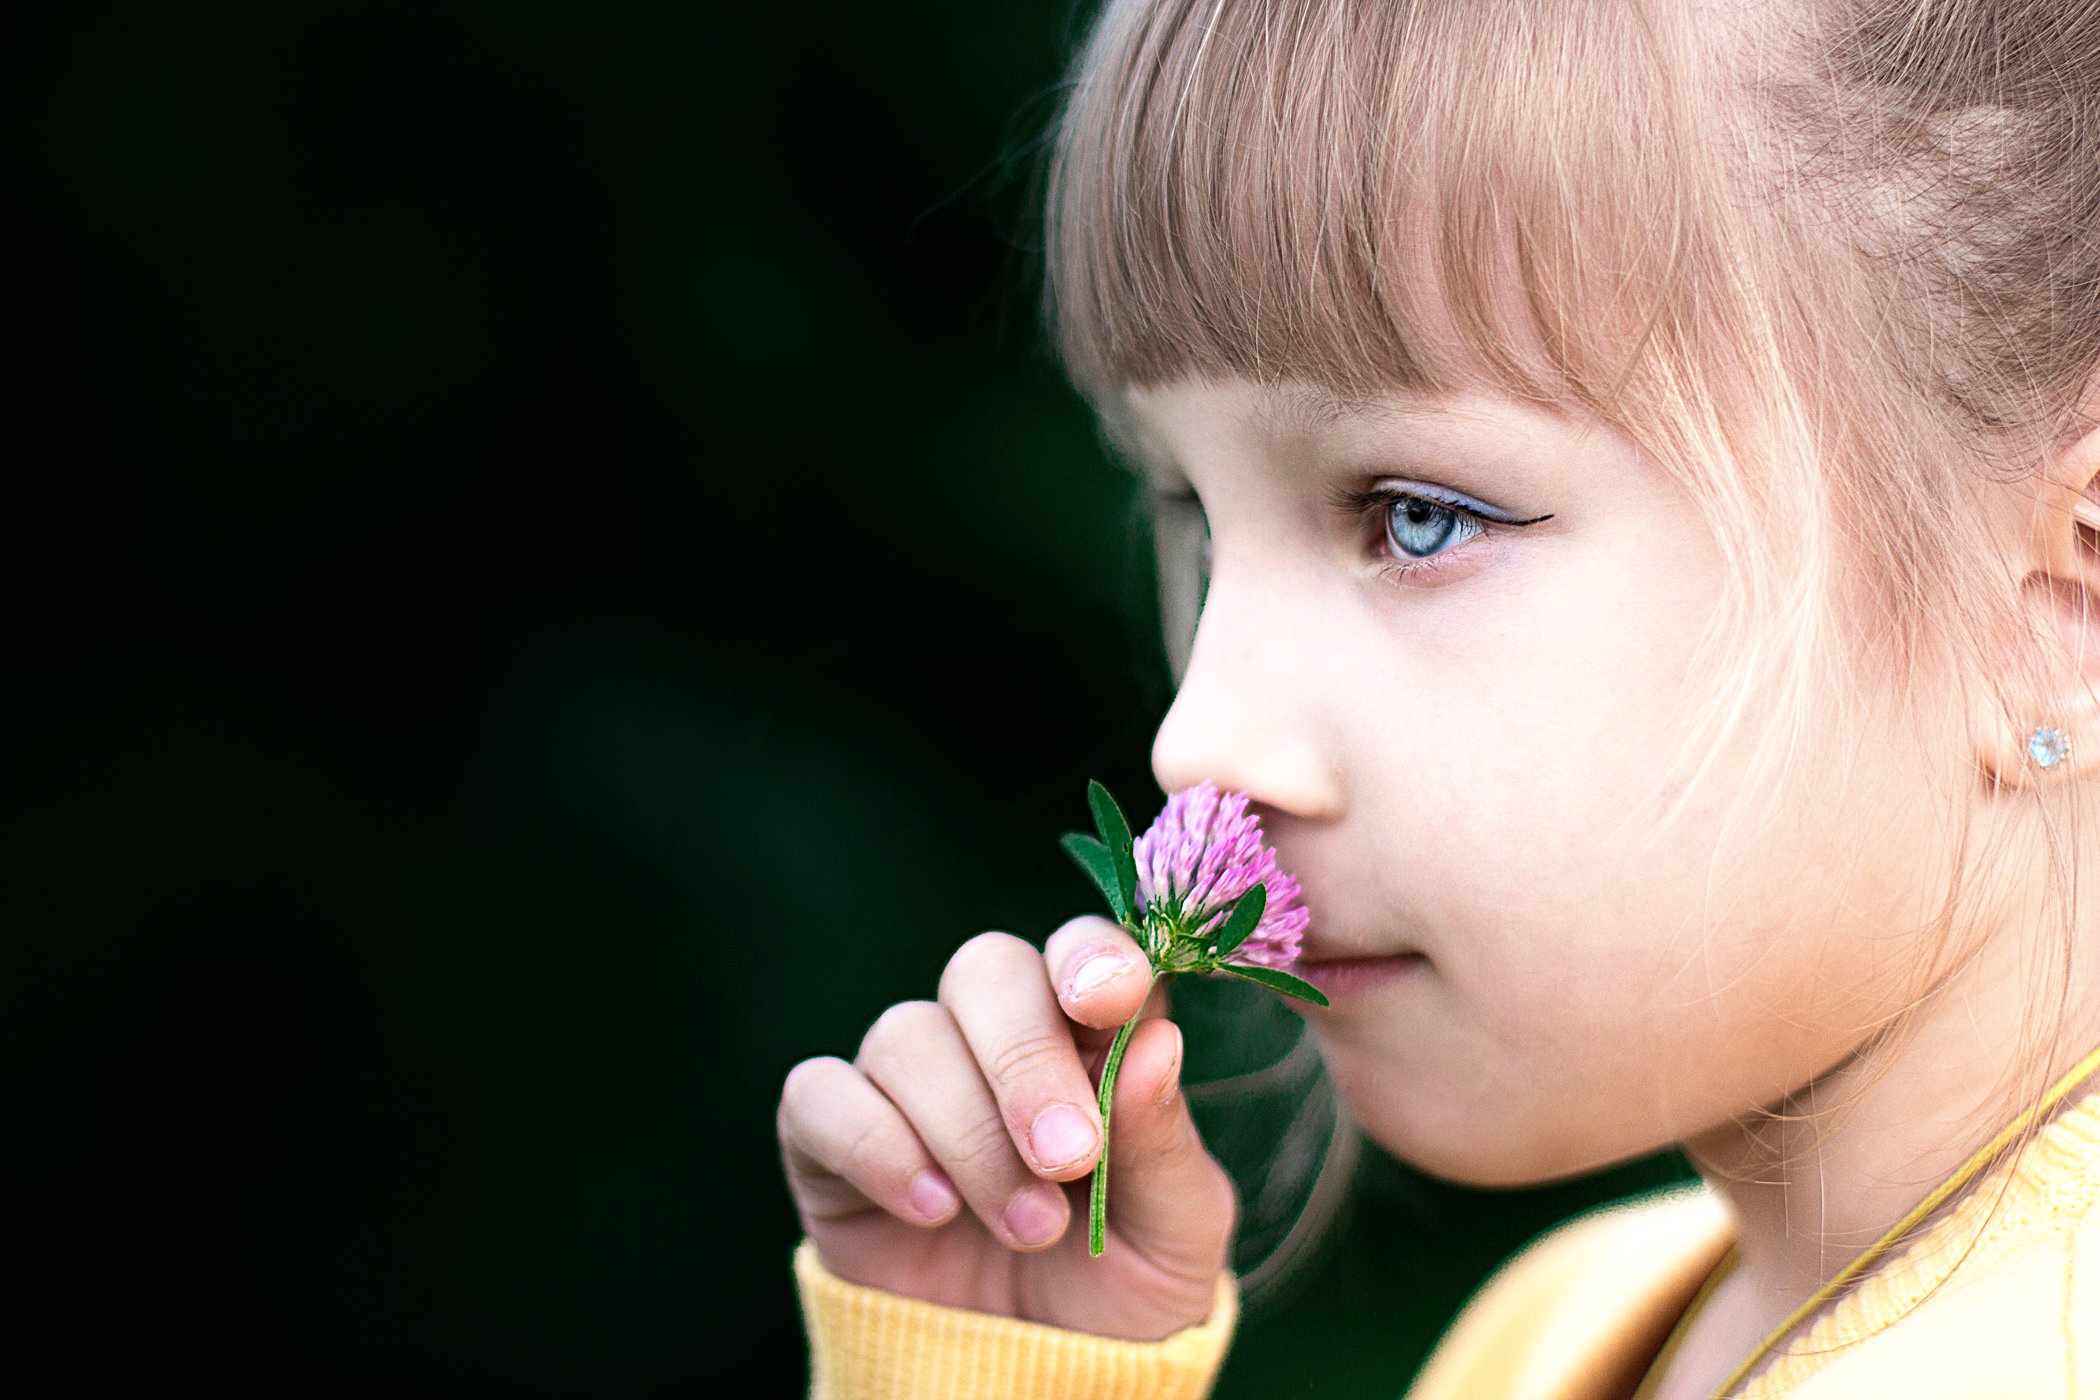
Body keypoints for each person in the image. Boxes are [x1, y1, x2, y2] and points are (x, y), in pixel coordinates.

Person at [774, 0, 2100, 1395]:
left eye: (1419, 518)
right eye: (1195, 519)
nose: (1198, 740)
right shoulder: (1560, 1323)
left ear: (2063, 601)